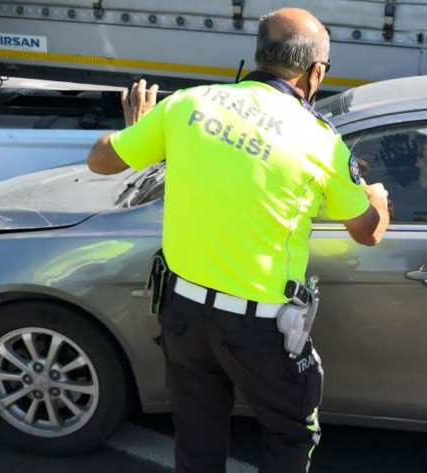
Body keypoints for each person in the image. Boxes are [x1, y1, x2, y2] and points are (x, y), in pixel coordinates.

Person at [87, 8, 389, 473]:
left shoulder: (190, 104)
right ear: (316, 72)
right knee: (290, 435)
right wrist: (378, 198)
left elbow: (100, 161)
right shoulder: (321, 142)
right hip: (261, 330)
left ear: (260, 56)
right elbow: (367, 232)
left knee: (197, 439)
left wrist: (137, 129)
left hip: (183, 315)